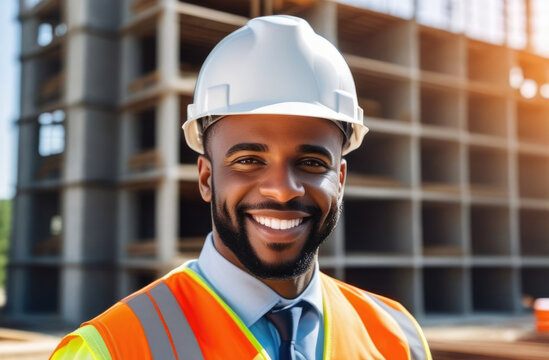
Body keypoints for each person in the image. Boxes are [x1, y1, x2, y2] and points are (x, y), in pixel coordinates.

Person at [50, 15, 431, 360]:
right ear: (206, 177)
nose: (282, 190)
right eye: (249, 160)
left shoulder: (398, 337)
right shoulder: (111, 348)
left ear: (341, 181)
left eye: (312, 163)